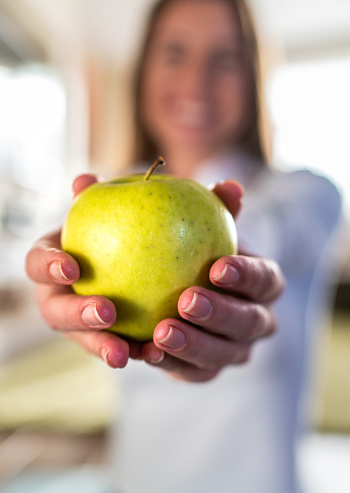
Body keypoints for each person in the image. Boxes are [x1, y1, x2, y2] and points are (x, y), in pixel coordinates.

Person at [25, 0, 342, 492]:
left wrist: (236, 265)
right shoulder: (98, 201)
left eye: (226, 58)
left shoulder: (307, 193)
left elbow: (261, 239)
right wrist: (54, 286)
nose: (197, 80)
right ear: (143, 69)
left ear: (253, 74)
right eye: (175, 52)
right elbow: (50, 301)